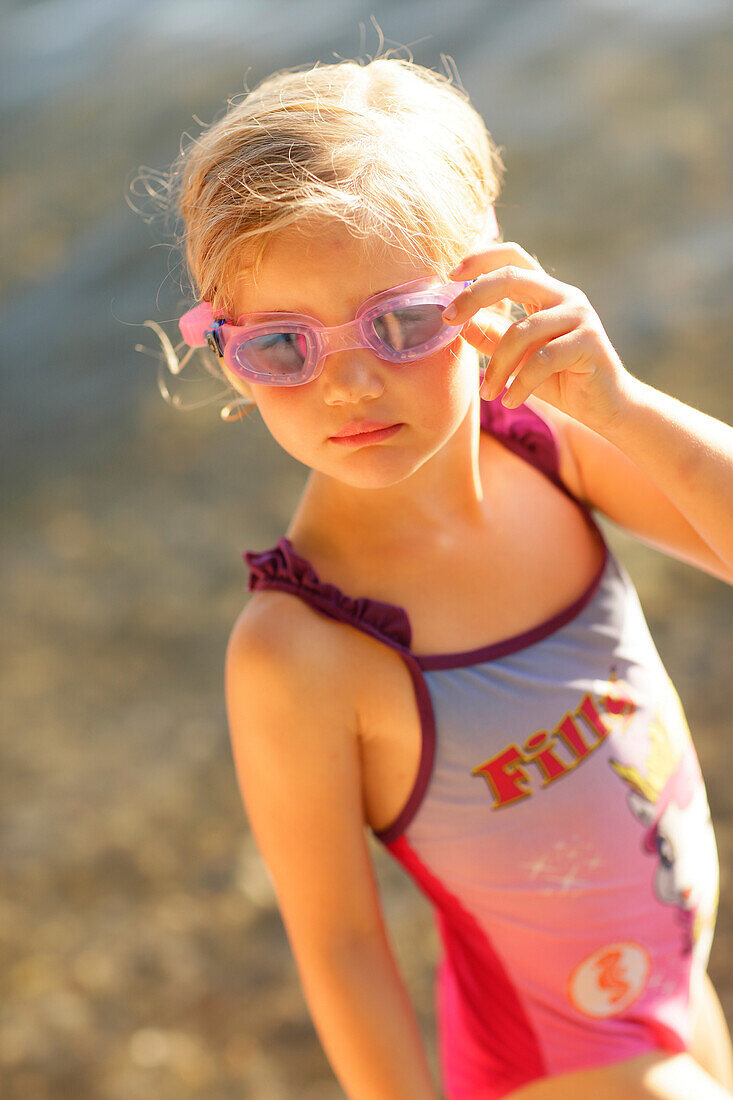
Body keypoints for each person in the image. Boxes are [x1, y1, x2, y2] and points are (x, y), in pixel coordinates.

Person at [144, 55, 733, 1099]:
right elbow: (340, 945)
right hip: (559, 1064)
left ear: (493, 288)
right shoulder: (304, 650)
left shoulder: (549, 444)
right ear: (229, 352)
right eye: (285, 346)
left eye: (403, 321)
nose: (352, 382)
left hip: (676, 990)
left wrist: (624, 401)